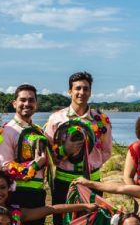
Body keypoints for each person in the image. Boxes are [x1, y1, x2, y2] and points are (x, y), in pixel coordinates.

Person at [44, 72, 112, 207]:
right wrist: (65, 151)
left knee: (92, 222)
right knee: (63, 223)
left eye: (86, 89)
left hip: (92, 180)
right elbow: (48, 152)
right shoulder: (56, 118)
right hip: (63, 180)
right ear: (70, 91)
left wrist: (91, 162)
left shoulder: (101, 120)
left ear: (90, 92)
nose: (82, 92)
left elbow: (106, 151)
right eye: (78, 88)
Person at [0, 84, 51, 225]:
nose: (27, 104)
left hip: (38, 195)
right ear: (14, 104)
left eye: (31, 100)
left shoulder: (39, 130)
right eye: (23, 100)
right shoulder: (6, 131)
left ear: (36, 104)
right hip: (17, 195)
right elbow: (5, 168)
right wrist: (34, 165)